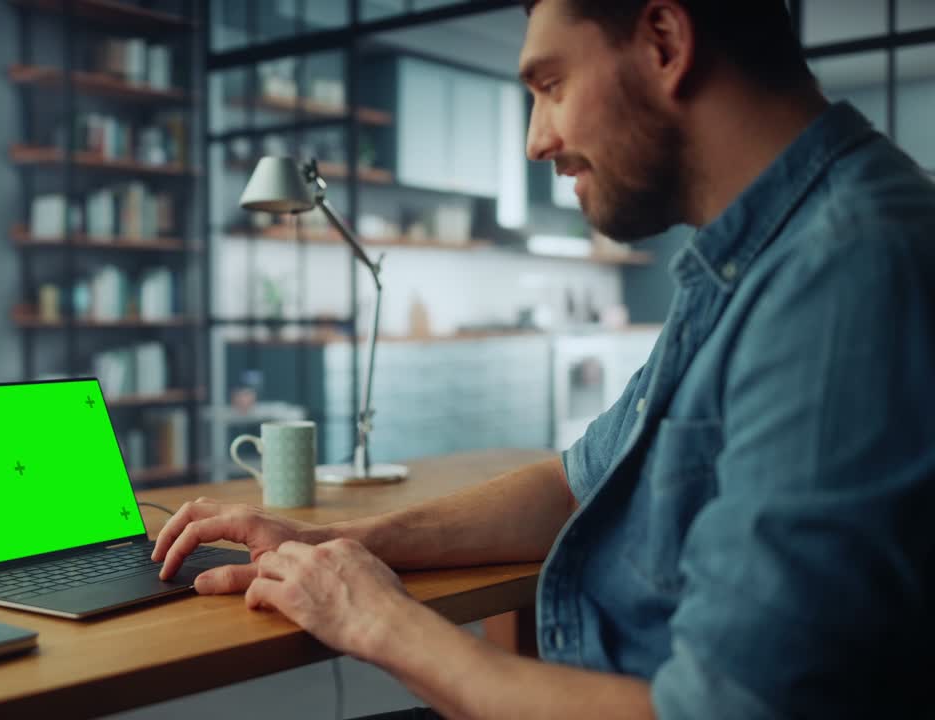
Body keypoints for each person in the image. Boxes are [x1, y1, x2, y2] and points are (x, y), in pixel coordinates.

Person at [154, 0, 935, 717]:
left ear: (665, 42)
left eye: (551, 84)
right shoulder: (755, 258)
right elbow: (572, 484)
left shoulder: (848, 273)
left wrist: (376, 618)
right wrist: (333, 543)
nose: (536, 141)